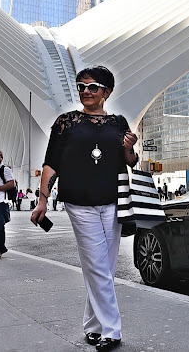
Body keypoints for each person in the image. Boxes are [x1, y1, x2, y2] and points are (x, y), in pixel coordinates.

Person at [32, 65, 138, 352]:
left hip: (114, 201)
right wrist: (43, 198)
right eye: (81, 86)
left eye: (92, 87)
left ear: (107, 92)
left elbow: (129, 160)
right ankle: (111, 330)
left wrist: (131, 147)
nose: (86, 92)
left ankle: (92, 326)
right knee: (97, 264)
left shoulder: (118, 122)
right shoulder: (66, 122)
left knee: (104, 267)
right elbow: (51, 162)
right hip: (79, 200)